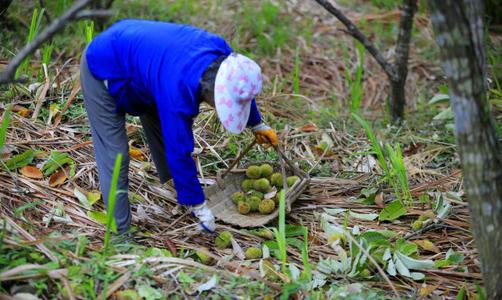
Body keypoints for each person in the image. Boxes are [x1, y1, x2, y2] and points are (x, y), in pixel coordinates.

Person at [80, 19, 278, 238]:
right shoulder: (178, 92)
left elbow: (241, 89)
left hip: (147, 64)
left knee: (164, 126)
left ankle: (173, 184)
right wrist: (198, 205)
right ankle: (119, 235)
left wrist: (257, 123)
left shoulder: (224, 55)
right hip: (106, 64)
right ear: (210, 91)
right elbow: (179, 151)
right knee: (115, 155)